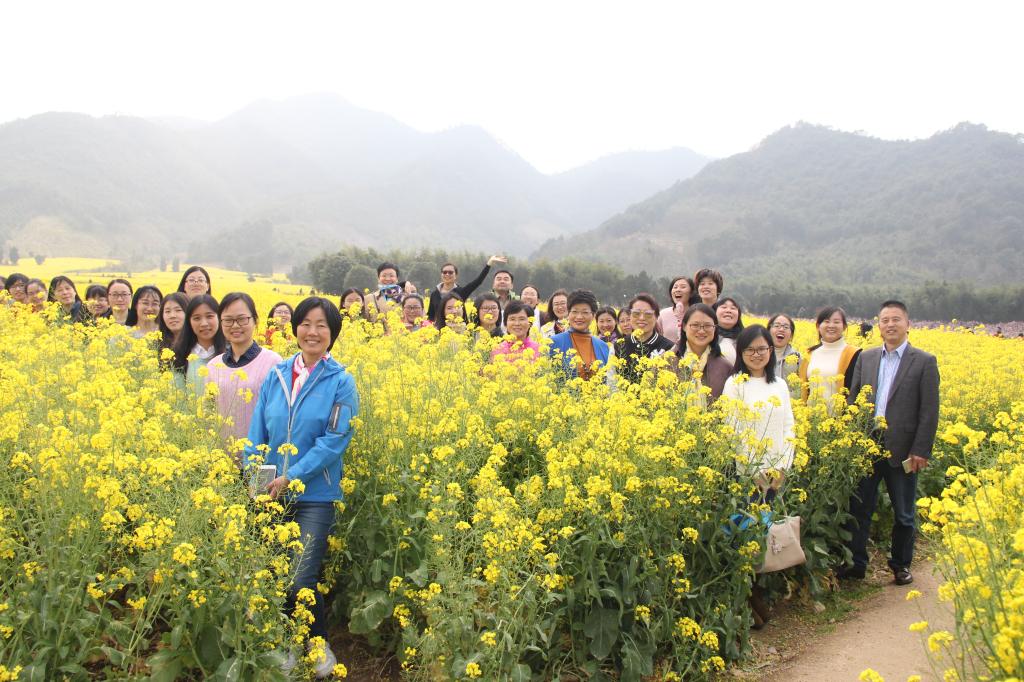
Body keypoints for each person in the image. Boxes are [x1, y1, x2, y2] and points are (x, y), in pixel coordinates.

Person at [244, 297, 358, 676]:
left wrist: (292, 476)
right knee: (274, 575)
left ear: (332, 334)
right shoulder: (276, 375)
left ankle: (317, 643)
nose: (312, 331)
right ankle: (285, 643)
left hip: (315, 496)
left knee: (301, 577)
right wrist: (258, 480)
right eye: (306, 323)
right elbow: (257, 433)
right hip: (271, 494)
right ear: (295, 329)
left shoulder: (341, 381)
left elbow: (333, 441)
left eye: (322, 325)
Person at [841, 300, 939, 586]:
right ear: (879, 325)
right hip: (867, 446)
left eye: (896, 319)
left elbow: (929, 411)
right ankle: (857, 565)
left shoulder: (924, 361)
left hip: (903, 448)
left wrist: (920, 450)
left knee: (904, 513)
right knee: (860, 508)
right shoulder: (867, 358)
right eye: (885, 320)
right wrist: (851, 437)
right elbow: (855, 398)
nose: (890, 324)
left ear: (908, 324)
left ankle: (901, 565)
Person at [721, 325, 795, 495]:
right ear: (741, 353)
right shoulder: (734, 384)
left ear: (770, 350)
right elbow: (732, 430)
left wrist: (783, 467)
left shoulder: (780, 384)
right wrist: (754, 472)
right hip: (747, 475)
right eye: (750, 350)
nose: (756, 354)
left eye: (762, 349)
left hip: (776, 473)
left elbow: (788, 427)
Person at [206, 292, 283, 440]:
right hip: (221, 452)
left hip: (260, 451)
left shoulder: (273, 362)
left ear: (255, 321)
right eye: (228, 320)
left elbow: (279, 416)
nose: (235, 325)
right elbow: (208, 414)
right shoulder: (213, 366)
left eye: (242, 319)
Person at [798, 306, 861, 406]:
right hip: (812, 414)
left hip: (840, 414)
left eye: (836, 322)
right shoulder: (810, 354)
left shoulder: (855, 354)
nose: (831, 325)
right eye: (826, 321)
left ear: (844, 326)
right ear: (818, 326)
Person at [674, 303, 732, 402]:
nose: (701, 331)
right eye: (695, 325)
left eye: (708, 326)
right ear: (684, 326)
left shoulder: (725, 367)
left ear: (715, 328)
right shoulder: (668, 362)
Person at [548, 289, 610, 380]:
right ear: (568, 313)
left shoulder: (603, 347)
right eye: (575, 312)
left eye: (585, 312)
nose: (579, 317)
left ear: (593, 315)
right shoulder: (553, 343)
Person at [171, 294, 226, 392]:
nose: (204, 323)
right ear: (189, 322)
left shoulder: (231, 352)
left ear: (219, 317)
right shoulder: (180, 354)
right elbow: (177, 395)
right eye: (197, 318)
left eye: (209, 316)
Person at [615, 293, 675, 383]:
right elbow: (612, 382)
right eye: (636, 313)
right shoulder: (619, 345)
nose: (642, 318)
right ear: (630, 316)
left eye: (648, 314)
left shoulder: (669, 348)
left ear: (656, 317)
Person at [426, 255, 507, 319]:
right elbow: (430, 315)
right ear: (441, 275)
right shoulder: (434, 294)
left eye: (450, 272)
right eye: (444, 272)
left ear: (456, 275)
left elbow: (478, 281)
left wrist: (489, 263)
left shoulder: (461, 292)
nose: (447, 274)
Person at [767, 313, 801, 397]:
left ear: (791, 335)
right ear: (768, 331)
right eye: (777, 326)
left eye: (786, 327)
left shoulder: (797, 357)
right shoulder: (759, 355)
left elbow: (802, 386)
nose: (781, 329)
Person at [657, 276, 696, 345]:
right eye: (675, 287)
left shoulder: (697, 314)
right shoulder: (663, 314)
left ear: (691, 293)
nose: (678, 290)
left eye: (683, 287)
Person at [714, 297, 744, 365]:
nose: (728, 311)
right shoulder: (707, 335)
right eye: (724, 307)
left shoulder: (745, 338)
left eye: (733, 308)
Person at [158, 292, 189, 356]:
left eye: (178, 310)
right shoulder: (156, 345)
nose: (172, 316)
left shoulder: (198, 345)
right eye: (167, 311)